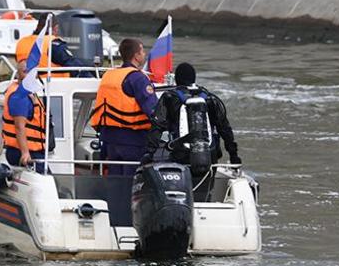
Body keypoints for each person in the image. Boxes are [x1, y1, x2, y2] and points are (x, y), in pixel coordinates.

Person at [144, 62, 241, 197]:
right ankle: (206, 203)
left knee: (183, 192)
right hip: (209, 156)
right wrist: (234, 156)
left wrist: (148, 155)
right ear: (194, 79)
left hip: (180, 155)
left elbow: (157, 127)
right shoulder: (210, 98)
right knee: (205, 191)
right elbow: (225, 130)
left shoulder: (170, 98)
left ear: (177, 80)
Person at [90, 38, 158, 176]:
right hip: (132, 141)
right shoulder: (138, 78)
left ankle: (113, 198)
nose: (144, 54)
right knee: (132, 183)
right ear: (136, 56)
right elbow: (153, 110)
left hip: (109, 141)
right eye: (142, 51)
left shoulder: (108, 76)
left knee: (115, 181)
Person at [1, 59, 49, 173]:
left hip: (35, 149)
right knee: (48, 179)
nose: (28, 75)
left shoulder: (29, 92)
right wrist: (25, 153)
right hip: (22, 151)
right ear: (18, 74)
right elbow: (19, 126)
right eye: (25, 72)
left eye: (31, 72)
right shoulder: (19, 96)